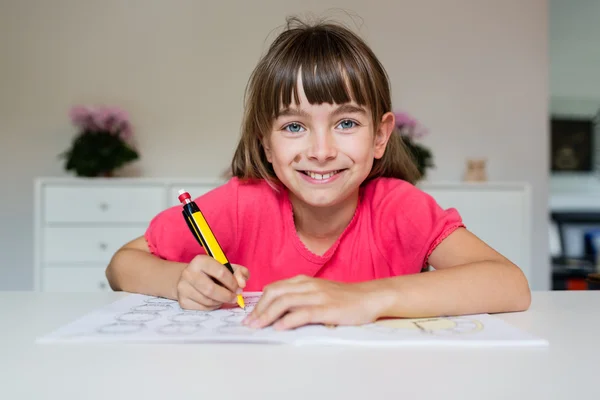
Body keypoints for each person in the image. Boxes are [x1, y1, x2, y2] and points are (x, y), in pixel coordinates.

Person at [106, 16, 531, 331]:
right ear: (265, 143)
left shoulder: (398, 208)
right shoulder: (242, 203)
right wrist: (181, 280)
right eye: (294, 127)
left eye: (346, 123)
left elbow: (510, 284)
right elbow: (122, 265)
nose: (322, 151)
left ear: (380, 136)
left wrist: (366, 297)